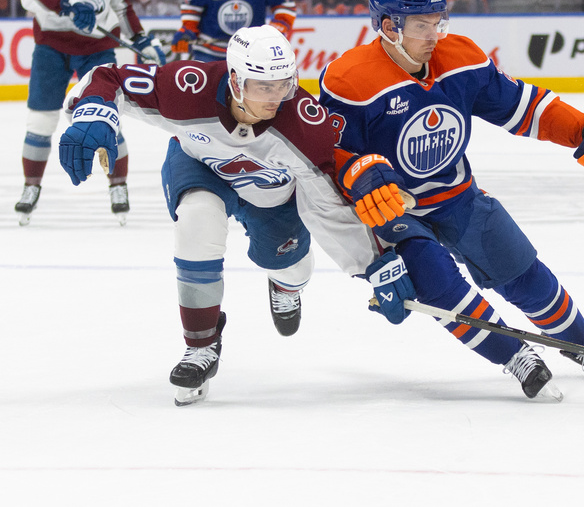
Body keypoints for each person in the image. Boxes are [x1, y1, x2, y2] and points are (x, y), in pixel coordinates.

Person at [319, 0, 584, 401]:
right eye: (422, 26)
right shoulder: (348, 80)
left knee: (521, 269)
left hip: (456, 195)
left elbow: (522, 106)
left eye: (439, 21)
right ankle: (515, 356)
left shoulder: (461, 57)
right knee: (437, 279)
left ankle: (581, 345)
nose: (434, 34)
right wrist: (358, 171)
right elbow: (325, 158)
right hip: (396, 214)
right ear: (388, 26)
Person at [58, 25, 414, 406]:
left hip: (271, 197)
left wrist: (372, 265)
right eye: (264, 87)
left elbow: (330, 204)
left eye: (284, 83)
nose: (277, 98)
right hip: (199, 167)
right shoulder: (187, 87)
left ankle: (286, 286)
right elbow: (108, 77)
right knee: (197, 221)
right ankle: (201, 346)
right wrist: (94, 114)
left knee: (292, 267)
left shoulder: (303, 121)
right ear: (234, 80)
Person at [15, 0, 166, 226]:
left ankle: (118, 185)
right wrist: (67, 7)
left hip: (97, 49)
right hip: (52, 45)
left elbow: (122, 6)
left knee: (108, 117)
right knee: (40, 121)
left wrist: (140, 38)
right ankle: (31, 186)